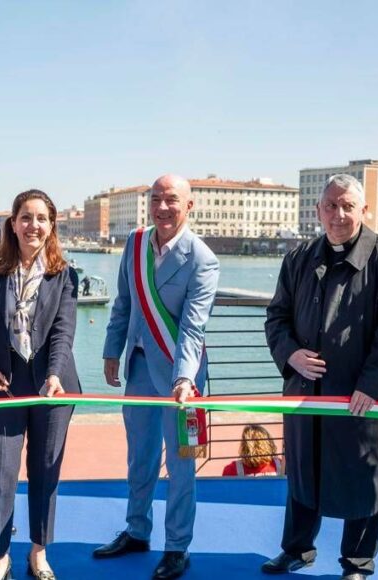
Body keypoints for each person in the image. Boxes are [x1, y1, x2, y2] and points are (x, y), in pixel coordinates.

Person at [262, 174, 378, 580]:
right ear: (318, 211)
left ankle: (357, 563)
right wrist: (290, 354)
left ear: (364, 210)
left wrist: (372, 385)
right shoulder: (299, 257)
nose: (339, 214)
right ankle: (296, 549)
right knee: (303, 472)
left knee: (364, 476)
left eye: (348, 206)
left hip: (361, 395)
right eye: (331, 205)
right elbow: (276, 316)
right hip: (306, 392)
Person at [94, 174, 219, 580]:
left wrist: (184, 378)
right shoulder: (135, 244)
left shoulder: (202, 259)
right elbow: (123, 303)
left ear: (189, 206)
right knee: (140, 457)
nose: (162, 208)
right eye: (156, 199)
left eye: (172, 200)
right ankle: (137, 530)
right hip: (139, 370)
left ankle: (177, 546)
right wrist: (111, 350)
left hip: (183, 379)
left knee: (182, 466)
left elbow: (193, 329)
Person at [0, 189, 80, 580]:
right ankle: (0, 555)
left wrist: (55, 373)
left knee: (45, 471)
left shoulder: (64, 275)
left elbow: (64, 331)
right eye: (26, 218)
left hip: (53, 386)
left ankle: (39, 551)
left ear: (51, 226)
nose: (33, 225)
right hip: (2, 386)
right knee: (0, 472)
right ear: (13, 224)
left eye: (41, 219)